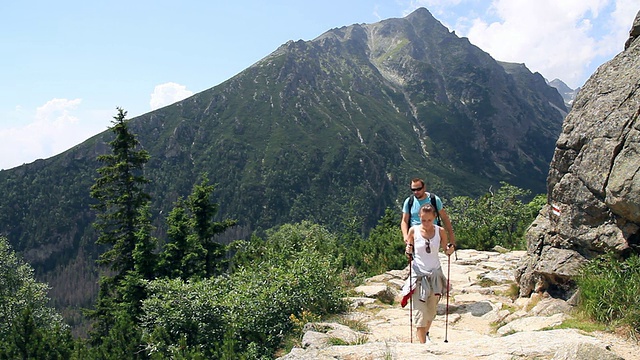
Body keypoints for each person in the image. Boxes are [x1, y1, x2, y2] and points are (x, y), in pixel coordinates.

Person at [401, 204, 455, 344]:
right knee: (420, 314)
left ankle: (425, 334)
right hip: (418, 276)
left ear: (434, 218)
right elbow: (409, 248)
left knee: (431, 311)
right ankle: (423, 347)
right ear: (419, 217)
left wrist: (450, 250)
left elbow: (445, 249)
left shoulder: (440, 231)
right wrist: (408, 248)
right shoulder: (413, 231)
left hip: (435, 275)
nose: (426, 223)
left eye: (429, 220)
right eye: (423, 220)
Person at [401, 178, 456, 249]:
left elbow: (445, 218)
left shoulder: (434, 200)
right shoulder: (409, 201)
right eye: (413, 190)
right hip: (415, 237)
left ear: (424, 188)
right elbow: (404, 220)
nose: (416, 192)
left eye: (419, 189)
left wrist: (451, 238)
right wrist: (405, 236)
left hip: (433, 236)